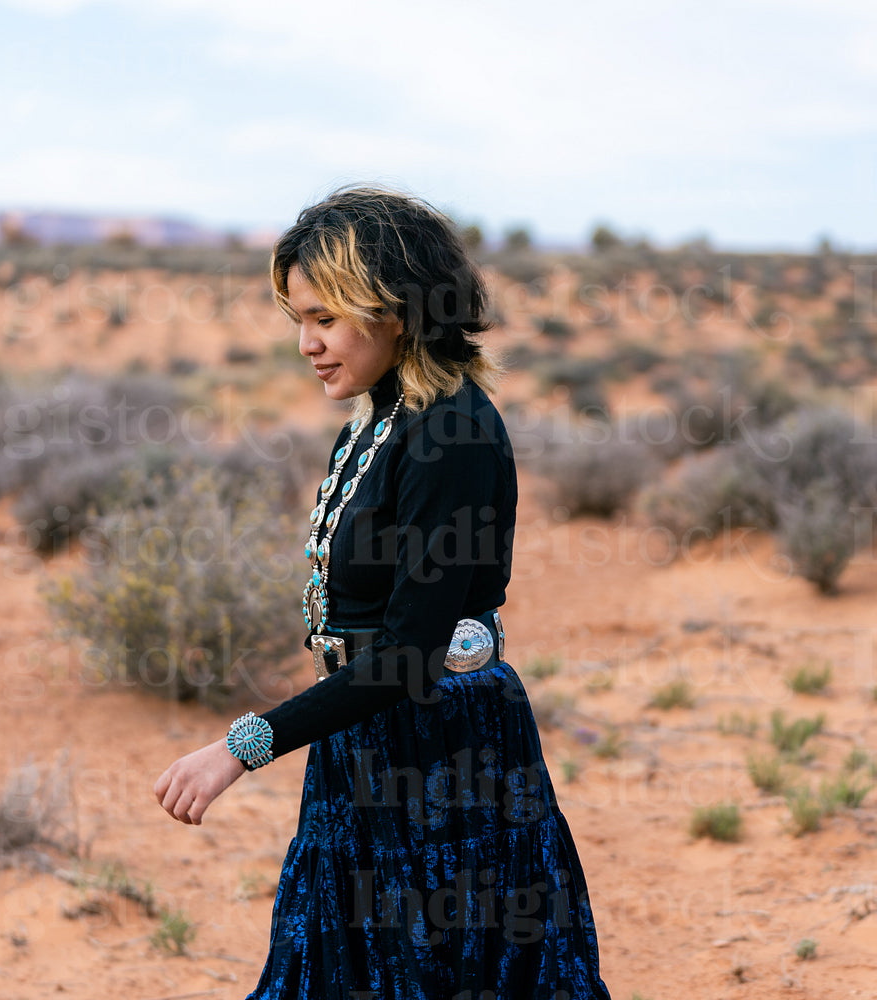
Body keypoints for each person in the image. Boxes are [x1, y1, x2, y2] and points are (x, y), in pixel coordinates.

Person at [153, 185, 614, 1000]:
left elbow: (408, 657)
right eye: (298, 320)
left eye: (325, 318)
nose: (307, 343)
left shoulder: (453, 433)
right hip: (364, 741)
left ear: (393, 309)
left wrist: (240, 747)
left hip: (445, 760)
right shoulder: (377, 420)